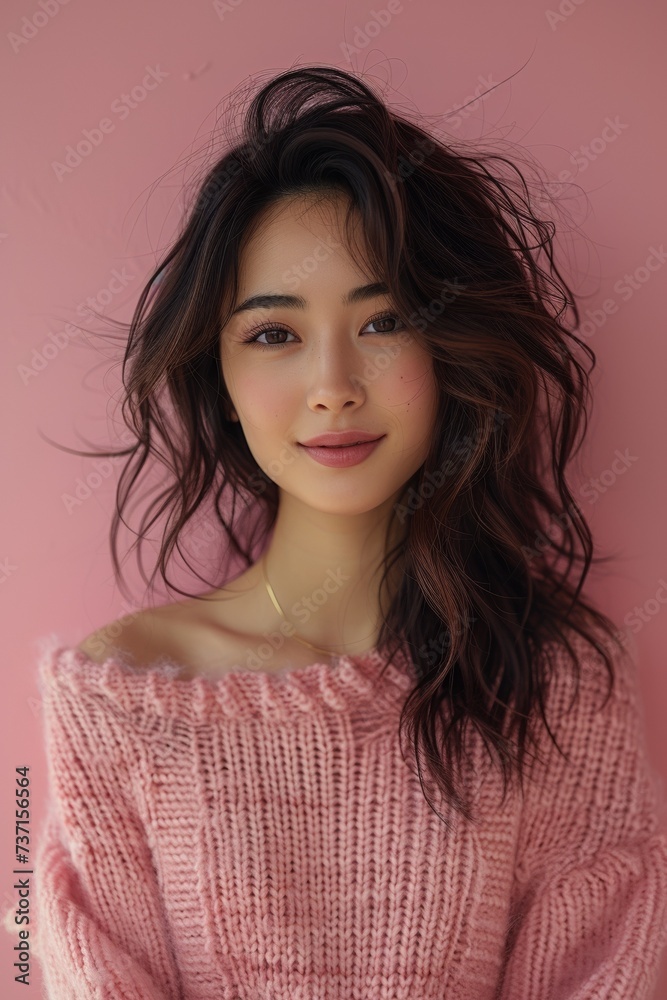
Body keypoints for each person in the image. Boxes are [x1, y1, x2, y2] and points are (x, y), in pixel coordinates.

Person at [12, 65, 667, 998]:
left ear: (449, 354)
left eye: (384, 320)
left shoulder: (558, 684)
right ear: (222, 381)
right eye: (274, 334)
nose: (332, 384)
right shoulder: (126, 696)